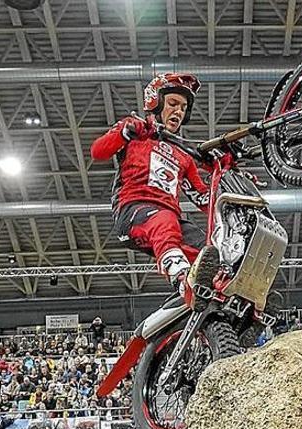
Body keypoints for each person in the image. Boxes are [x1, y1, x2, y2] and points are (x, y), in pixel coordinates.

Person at [90, 72, 224, 303]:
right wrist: (125, 131)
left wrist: (224, 186)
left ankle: (222, 295)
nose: (179, 112)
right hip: (134, 211)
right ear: (156, 102)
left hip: (170, 218)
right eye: (173, 104)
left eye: (183, 108)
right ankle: (181, 279)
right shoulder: (136, 132)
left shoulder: (184, 156)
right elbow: (98, 151)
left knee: (208, 249)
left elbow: (203, 199)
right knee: (165, 221)